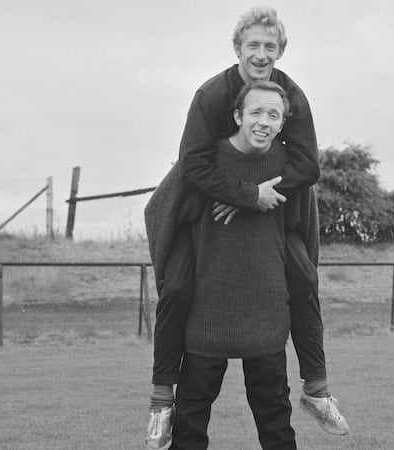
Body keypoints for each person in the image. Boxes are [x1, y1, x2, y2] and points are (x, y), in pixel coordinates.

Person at [144, 6, 347, 450]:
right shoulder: (211, 95)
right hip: (200, 188)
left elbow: (308, 165)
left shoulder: (291, 96)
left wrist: (255, 198)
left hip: (265, 190)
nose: (261, 53)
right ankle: (162, 397)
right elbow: (194, 163)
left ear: (280, 51)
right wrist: (241, 194)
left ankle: (317, 387)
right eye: (252, 45)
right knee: (177, 287)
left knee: (303, 278)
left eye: (269, 46)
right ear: (237, 48)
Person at [171, 80, 302, 449]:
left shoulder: (287, 165)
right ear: (237, 116)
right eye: (256, 111)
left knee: (276, 421)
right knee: (190, 421)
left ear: (282, 122)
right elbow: (169, 214)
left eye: (273, 114)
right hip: (208, 310)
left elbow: (297, 228)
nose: (264, 120)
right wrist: (244, 195)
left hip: (266, 309)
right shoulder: (204, 162)